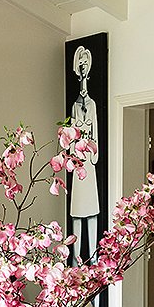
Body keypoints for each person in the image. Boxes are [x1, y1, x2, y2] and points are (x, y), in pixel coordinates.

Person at [69, 45, 99, 264]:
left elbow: (95, 132)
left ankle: (94, 256)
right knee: (77, 211)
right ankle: (76, 256)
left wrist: (91, 151)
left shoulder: (93, 105)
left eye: (85, 63)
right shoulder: (74, 106)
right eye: (80, 64)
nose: (83, 67)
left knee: (92, 210)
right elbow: (70, 136)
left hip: (88, 161)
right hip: (78, 161)